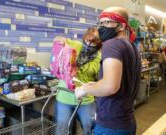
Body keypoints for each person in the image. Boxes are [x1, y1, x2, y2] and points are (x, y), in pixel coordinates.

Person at [75, 7, 141, 135]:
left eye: (107, 22)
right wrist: (93, 85)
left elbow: (110, 86)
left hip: (111, 125)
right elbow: (120, 82)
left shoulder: (112, 44)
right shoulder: (131, 46)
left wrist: (84, 90)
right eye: (100, 23)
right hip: (126, 121)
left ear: (121, 26)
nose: (101, 27)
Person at [54, 27, 101, 135]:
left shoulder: (99, 57)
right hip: (65, 97)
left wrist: (77, 69)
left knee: (90, 128)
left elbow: (98, 78)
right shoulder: (75, 45)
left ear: (99, 43)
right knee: (62, 130)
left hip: (85, 99)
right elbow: (58, 39)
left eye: (93, 42)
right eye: (87, 40)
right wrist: (60, 41)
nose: (88, 44)